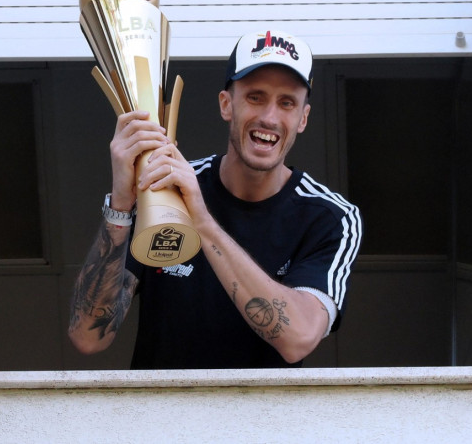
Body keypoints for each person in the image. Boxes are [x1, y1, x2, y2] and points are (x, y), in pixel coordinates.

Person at [68, 29, 362, 369]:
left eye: (287, 103)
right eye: (255, 97)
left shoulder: (331, 216)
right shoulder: (163, 186)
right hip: (164, 406)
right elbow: (88, 336)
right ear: (226, 104)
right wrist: (120, 204)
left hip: (263, 408)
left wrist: (202, 221)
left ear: (303, 118)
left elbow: (298, 339)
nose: (269, 117)